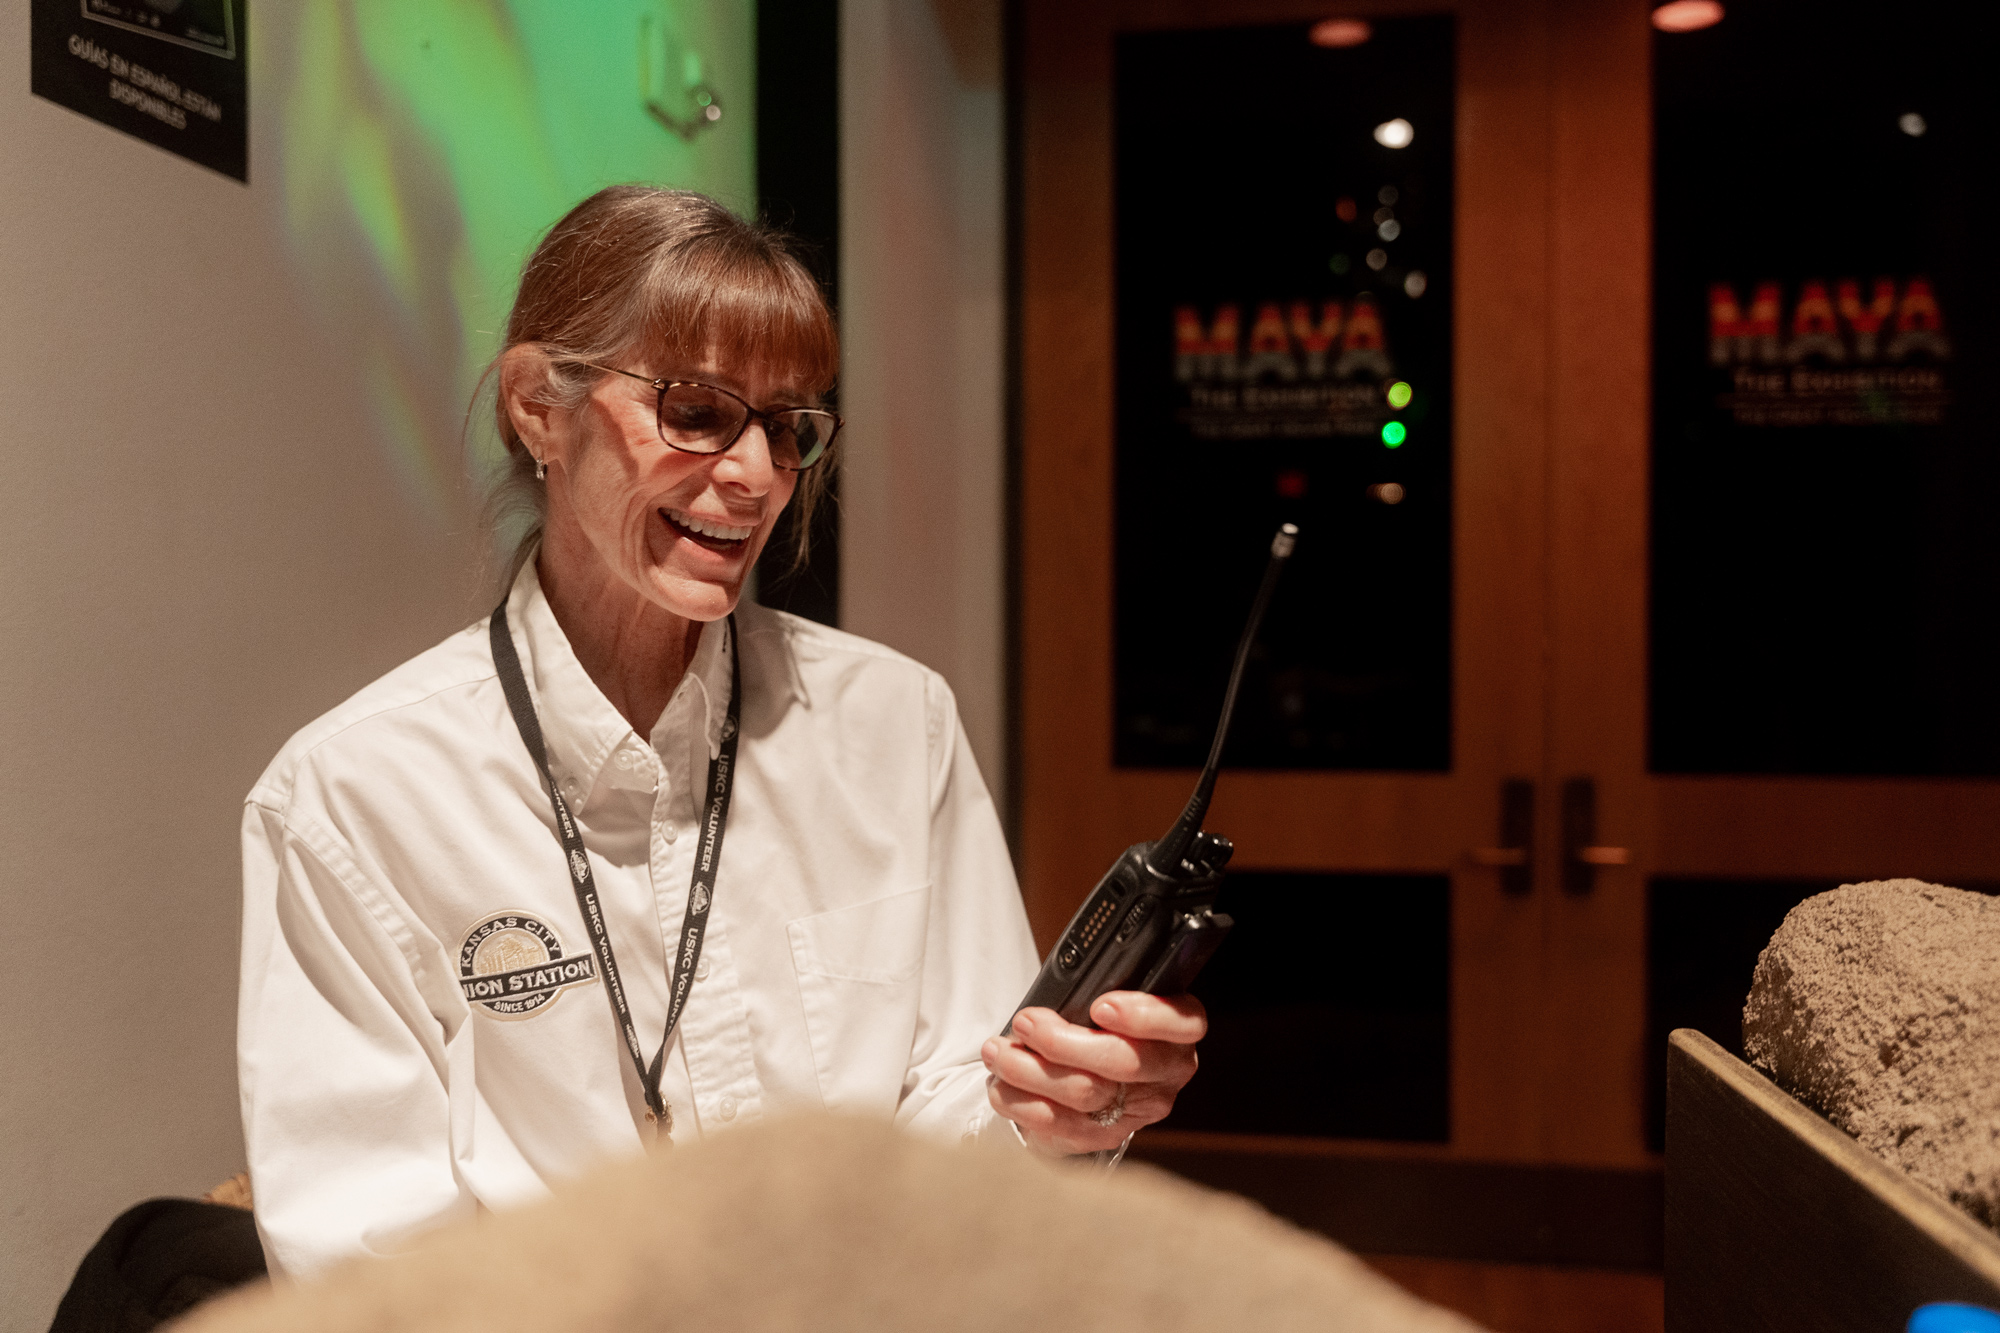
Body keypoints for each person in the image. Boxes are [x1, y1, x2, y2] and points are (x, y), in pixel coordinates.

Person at [237, 186, 1207, 1280]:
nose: (753, 476)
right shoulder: (353, 794)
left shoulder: (895, 725)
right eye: (695, 412)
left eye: (786, 427)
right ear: (535, 408)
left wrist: (1051, 1113)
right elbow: (368, 1269)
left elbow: (956, 1115)